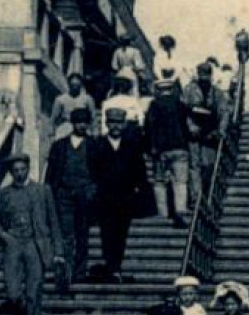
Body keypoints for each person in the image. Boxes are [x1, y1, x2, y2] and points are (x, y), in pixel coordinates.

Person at [0, 152, 63, 315]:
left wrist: (58, 251)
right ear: (11, 173)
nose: (19, 174)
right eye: (15, 171)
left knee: (34, 293)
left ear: (28, 169)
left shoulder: (42, 191)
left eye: (22, 169)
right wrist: (4, 236)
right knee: (13, 294)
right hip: (13, 245)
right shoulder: (4, 194)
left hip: (35, 246)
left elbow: (54, 222)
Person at [88, 106, 151, 284]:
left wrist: (141, 195)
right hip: (105, 199)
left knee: (121, 234)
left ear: (124, 124)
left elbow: (140, 172)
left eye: (119, 123)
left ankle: (116, 267)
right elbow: (91, 171)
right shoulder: (97, 145)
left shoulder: (132, 146)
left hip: (125, 199)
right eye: (112, 123)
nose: (116, 126)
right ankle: (111, 266)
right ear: (107, 124)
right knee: (107, 233)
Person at [45, 108, 98, 290]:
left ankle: (80, 271)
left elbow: (101, 171)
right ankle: (65, 272)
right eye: (78, 122)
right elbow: (51, 172)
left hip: (85, 193)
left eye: (84, 122)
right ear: (72, 124)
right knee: (66, 234)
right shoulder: (59, 145)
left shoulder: (94, 145)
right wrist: (50, 192)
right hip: (64, 194)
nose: (81, 125)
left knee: (82, 233)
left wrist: (93, 189)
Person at [143, 76, 193, 228]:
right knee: (181, 182)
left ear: (158, 90)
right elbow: (189, 126)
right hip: (180, 147)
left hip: (160, 150)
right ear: (171, 89)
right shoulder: (181, 105)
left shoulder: (154, 105)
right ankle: (181, 211)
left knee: (159, 182)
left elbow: (149, 127)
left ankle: (162, 214)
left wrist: (150, 147)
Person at [183, 61, 230, 205]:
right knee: (194, 165)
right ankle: (196, 197)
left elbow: (224, 112)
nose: (204, 79)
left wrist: (221, 130)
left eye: (206, 76)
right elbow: (183, 110)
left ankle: (207, 193)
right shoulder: (189, 90)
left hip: (210, 133)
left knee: (208, 165)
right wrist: (190, 125)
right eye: (201, 75)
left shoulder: (217, 92)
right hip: (194, 133)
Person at [49, 73, 97, 141]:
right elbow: (53, 118)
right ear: (69, 85)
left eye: (77, 85)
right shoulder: (60, 99)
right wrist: (51, 133)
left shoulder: (87, 99)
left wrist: (95, 132)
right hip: (66, 126)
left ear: (81, 85)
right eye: (73, 85)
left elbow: (93, 117)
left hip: (82, 126)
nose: (75, 88)